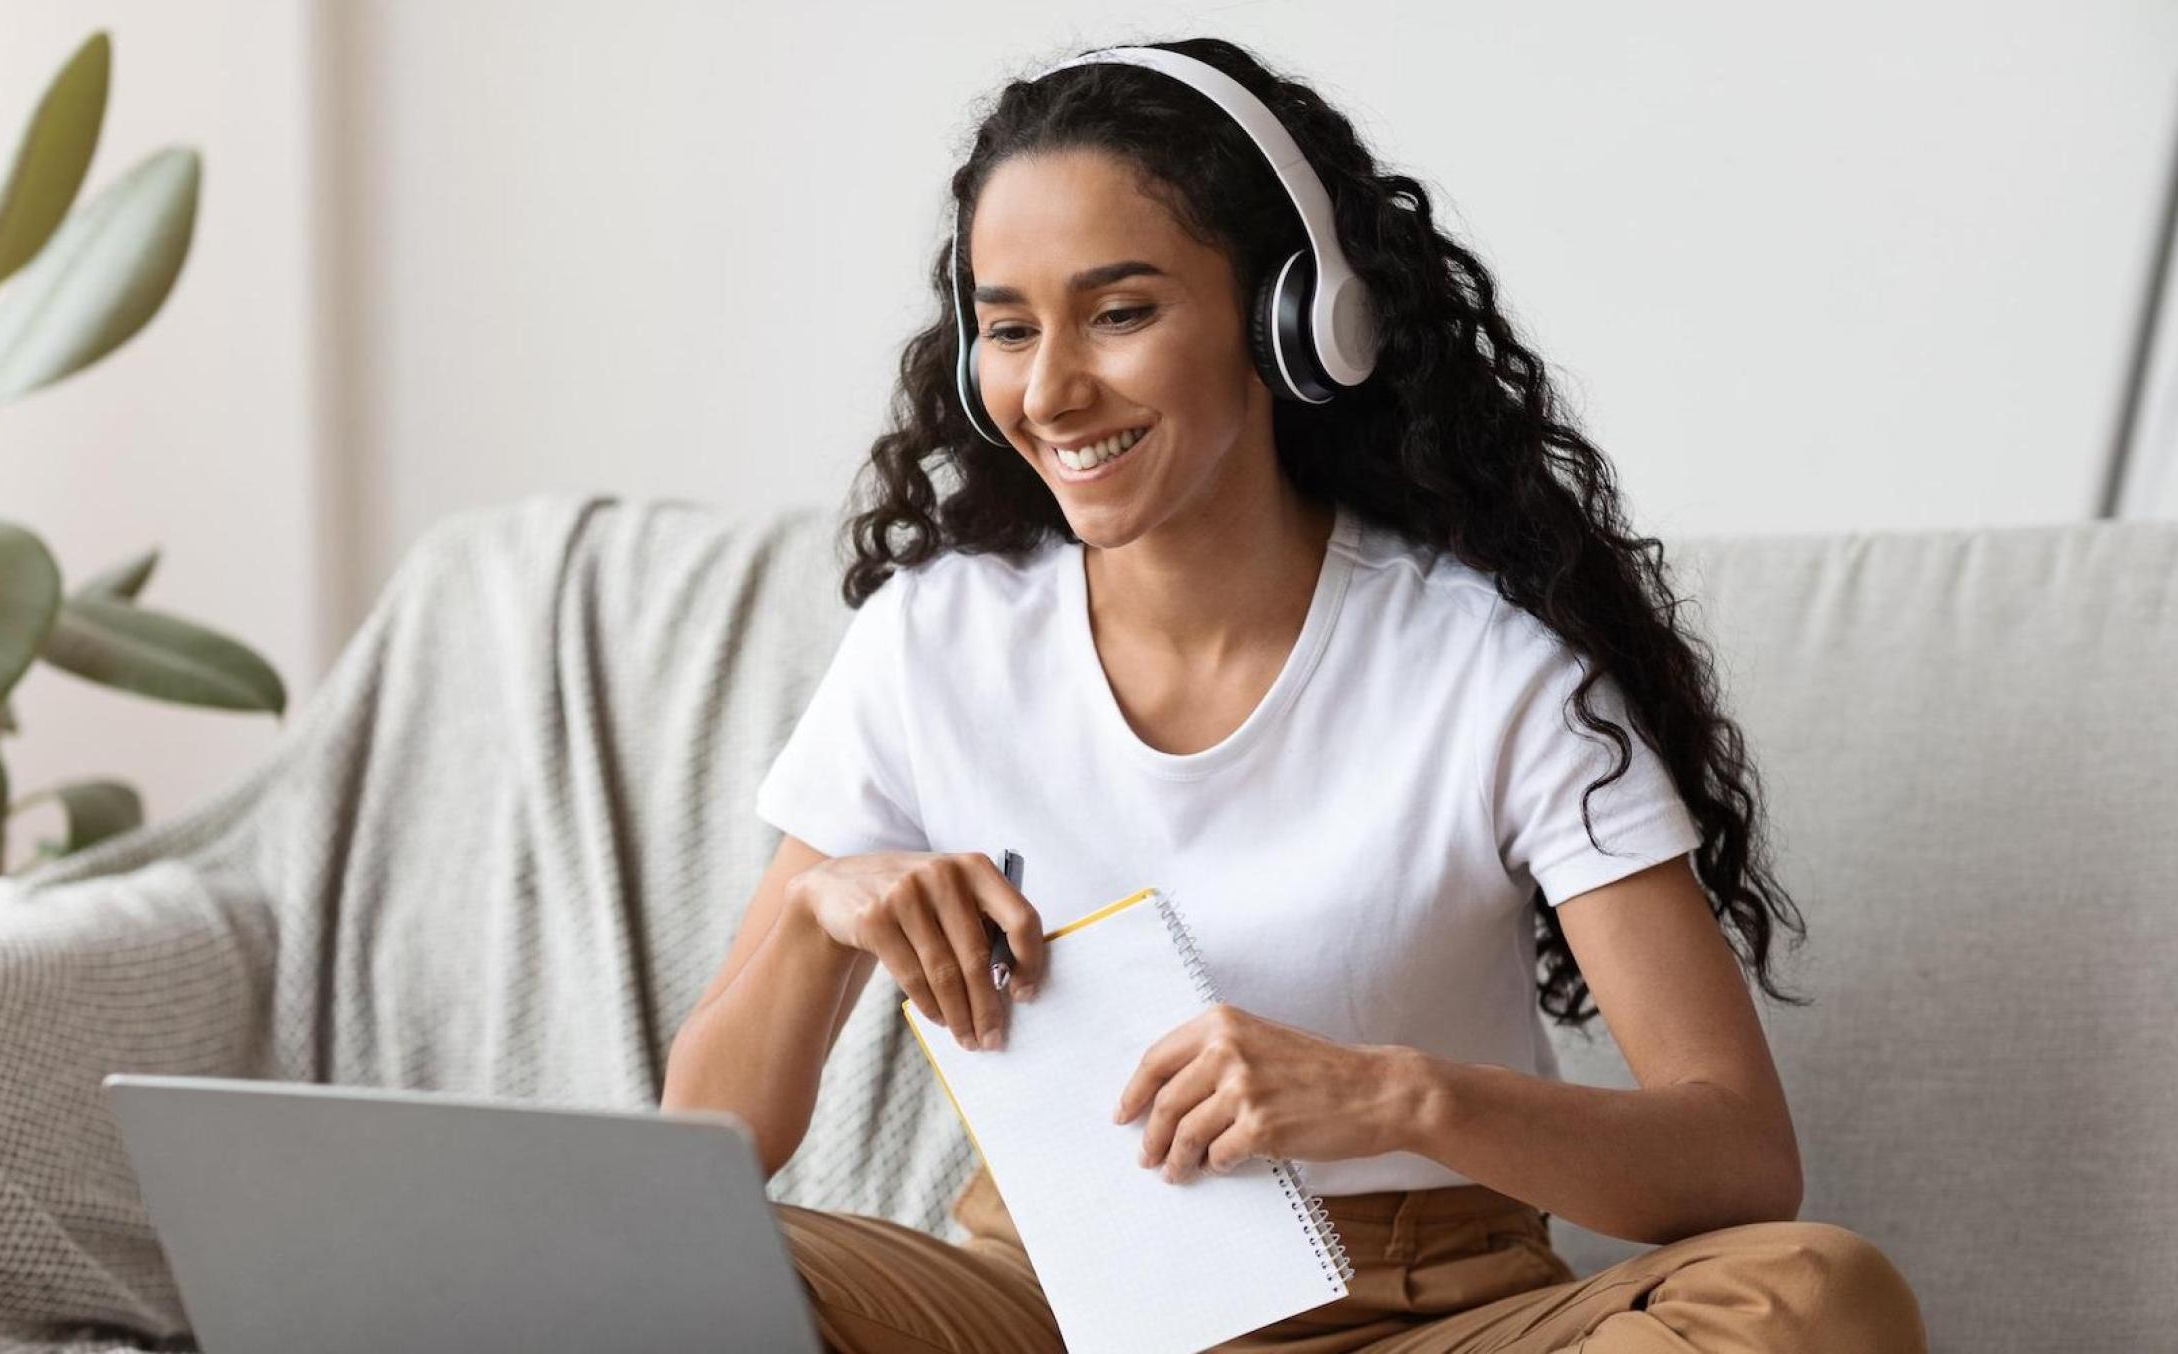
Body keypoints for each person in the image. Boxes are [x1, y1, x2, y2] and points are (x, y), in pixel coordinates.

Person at [661, 35, 1927, 1353]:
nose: (1050, 391)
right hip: (1044, 1305)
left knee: (1812, 1298)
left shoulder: (1489, 668)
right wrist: (817, 911)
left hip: (1425, 1312)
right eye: (1010, 328)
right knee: (654, 1274)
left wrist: (1392, 1097)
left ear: (1297, 323)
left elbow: (1739, 1156)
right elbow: (704, 1148)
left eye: (1120, 313)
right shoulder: (933, 641)